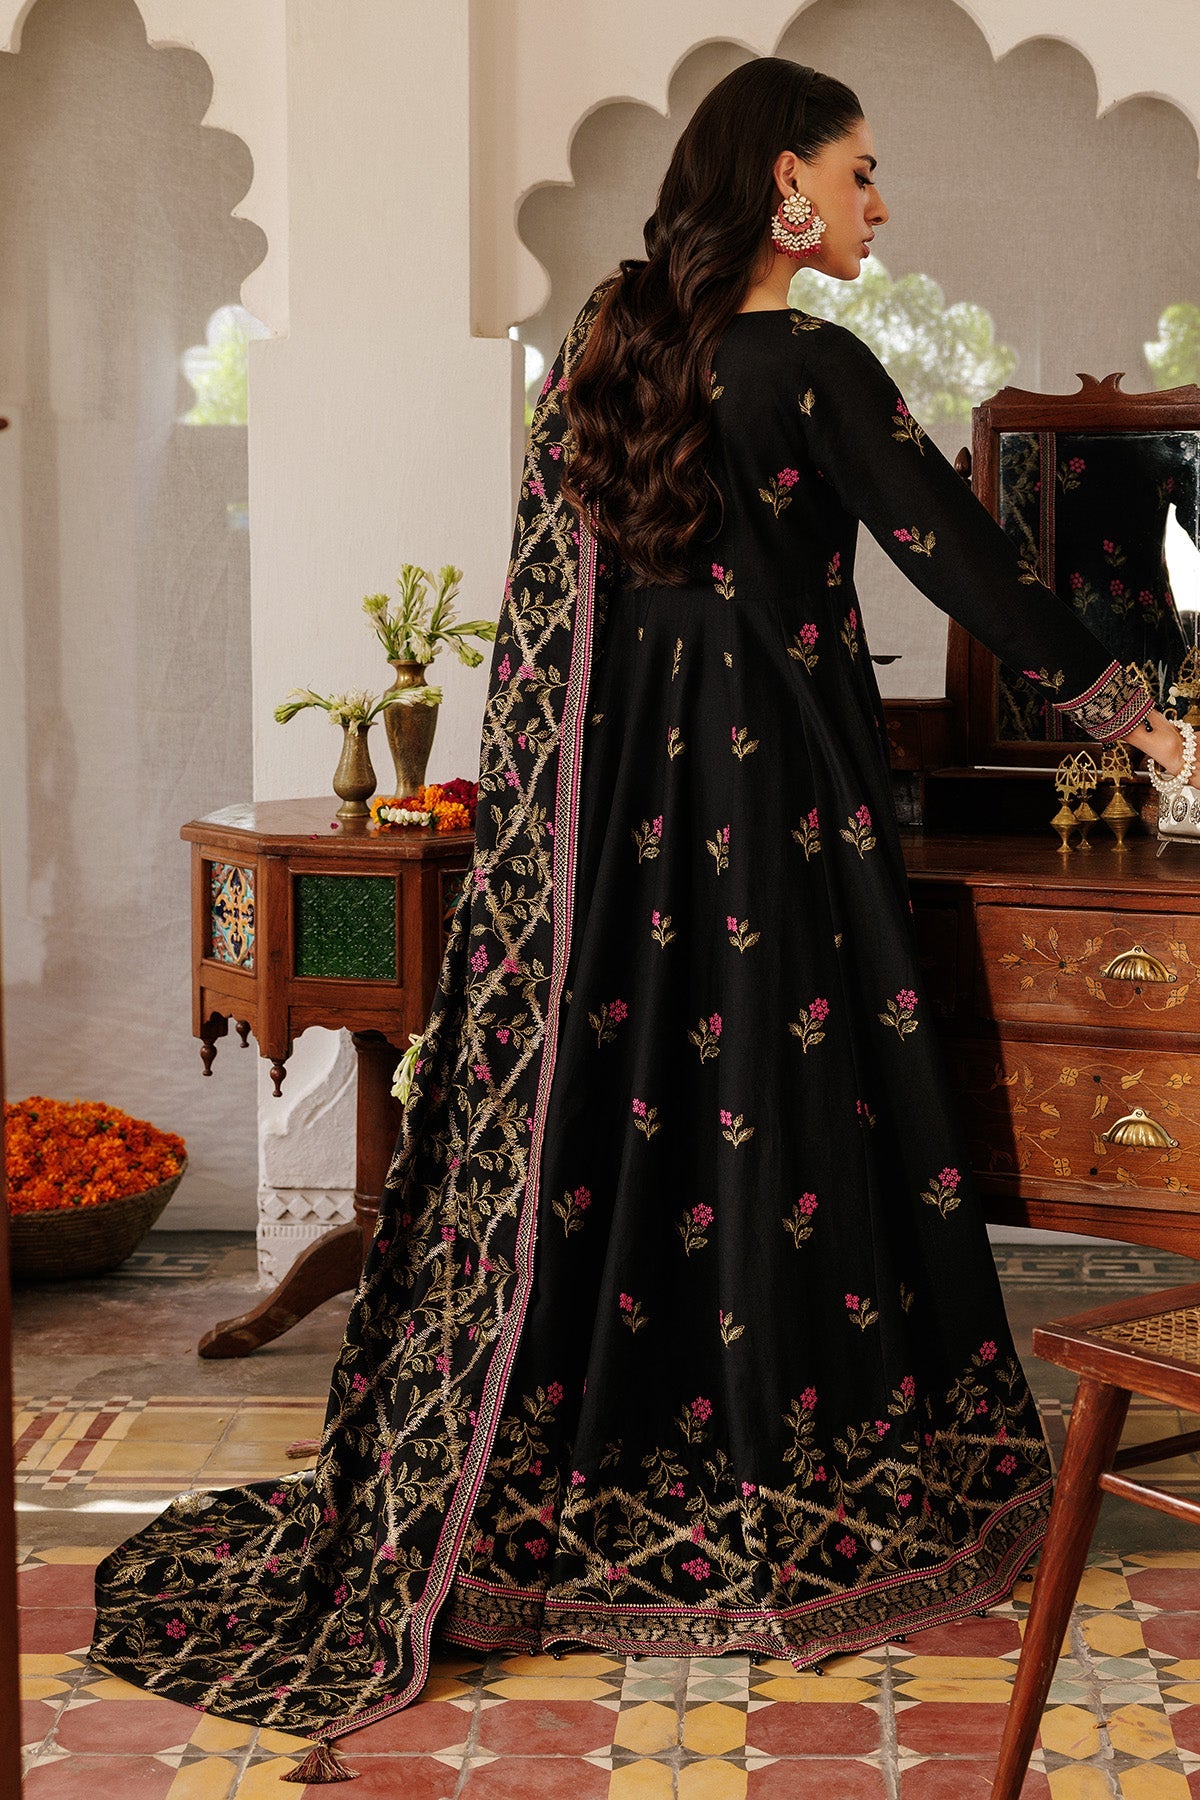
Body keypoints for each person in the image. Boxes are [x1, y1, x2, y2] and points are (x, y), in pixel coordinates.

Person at [90, 57, 1188, 1781]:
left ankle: (587, 1478)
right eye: (863, 171)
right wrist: (1144, 715)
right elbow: (963, 560)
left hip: (615, 842)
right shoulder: (811, 366)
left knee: (637, 1121)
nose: (881, 203)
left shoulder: (609, 353)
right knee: (785, 1113)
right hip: (782, 818)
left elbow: (557, 633)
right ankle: (799, 1490)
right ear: (786, 187)